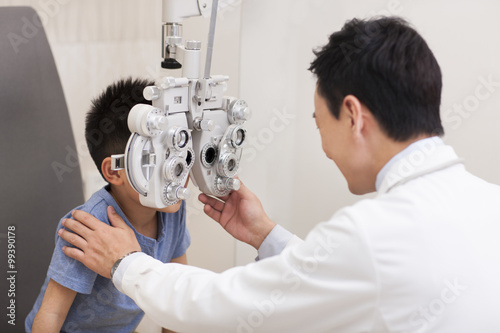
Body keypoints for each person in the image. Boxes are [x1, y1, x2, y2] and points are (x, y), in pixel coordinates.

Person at [58, 17, 500, 332]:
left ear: (353, 116)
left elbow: (219, 308)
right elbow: (346, 276)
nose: (325, 149)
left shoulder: (370, 237)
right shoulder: (488, 202)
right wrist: (265, 235)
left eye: (317, 122)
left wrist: (125, 262)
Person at [25, 78, 190, 333]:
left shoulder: (172, 209)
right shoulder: (88, 226)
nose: (176, 171)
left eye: (178, 152)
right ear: (114, 171)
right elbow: (51, 315)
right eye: (156, 158)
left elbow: (175, 295)